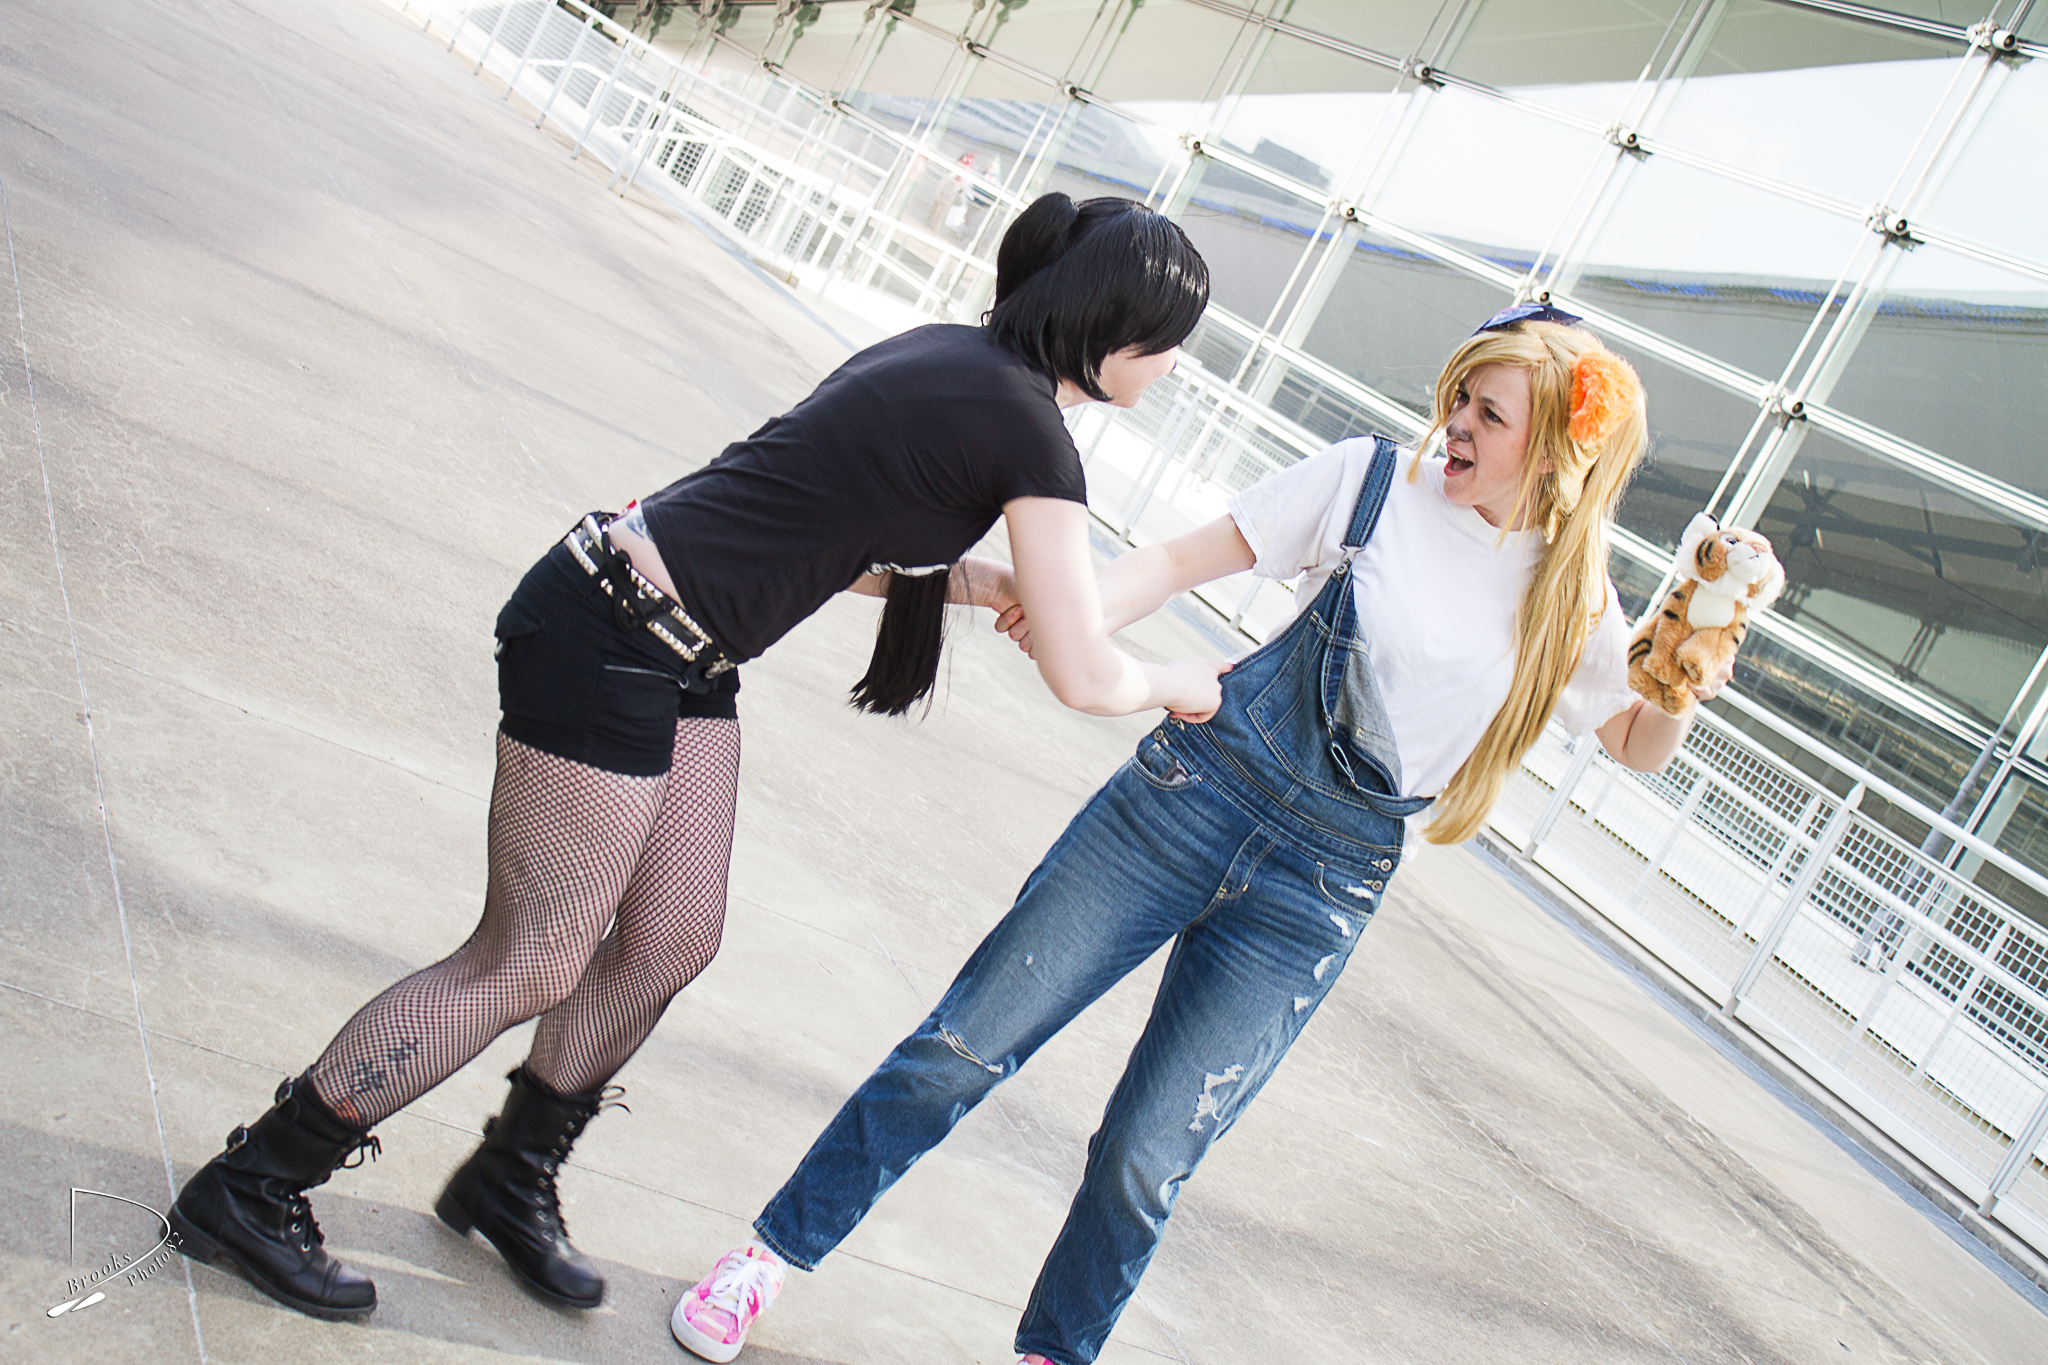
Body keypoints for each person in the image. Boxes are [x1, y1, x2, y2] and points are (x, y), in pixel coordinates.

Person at [166, 194, 1224, 1321]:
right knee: (531, 957)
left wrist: (990, 583)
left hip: (680, 653)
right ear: (1118, 326)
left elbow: (828, 542)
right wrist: (1178, 683)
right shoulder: (1024, 427)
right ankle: (255, 1183)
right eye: (1170, 343)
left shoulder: (958, 363)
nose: (1170, 367)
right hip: (607, 631)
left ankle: (509, 1173)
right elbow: (1085, 676)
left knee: (669, 937)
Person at [669, 303, 1741, 1365]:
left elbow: (1635, 739)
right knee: (965, 1045)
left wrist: (1697, 645)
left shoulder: (1570, 598)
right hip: (1190, 797)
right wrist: (1075, 619)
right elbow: (1182, 561)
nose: (1456, 421)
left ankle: (1054, 1354)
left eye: (1489, 413)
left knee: (1148, 1156)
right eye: (1460, 395)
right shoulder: (1371, 482)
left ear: (1552, 448)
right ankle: (768, 1254)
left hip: (1322, 890)